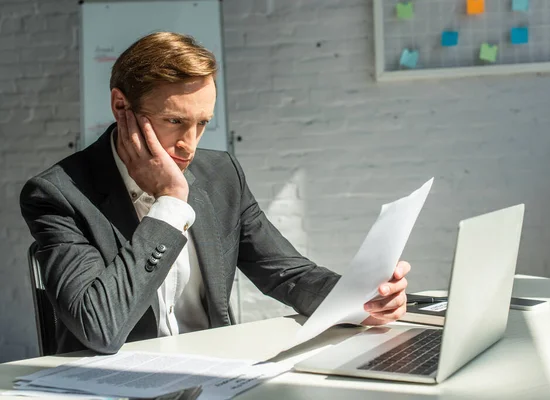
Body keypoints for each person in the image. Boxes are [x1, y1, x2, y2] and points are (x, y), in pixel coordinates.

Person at [20, 32, 410, 355]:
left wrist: (360, 299)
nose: (189, 144)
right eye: (174, 121)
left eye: (202, 123)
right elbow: (99, 327)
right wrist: (171, 204)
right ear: (121, 106)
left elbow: (286, 273)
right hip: (118, 386)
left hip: (215, 377)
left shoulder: (222, 174)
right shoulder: (58, 194)